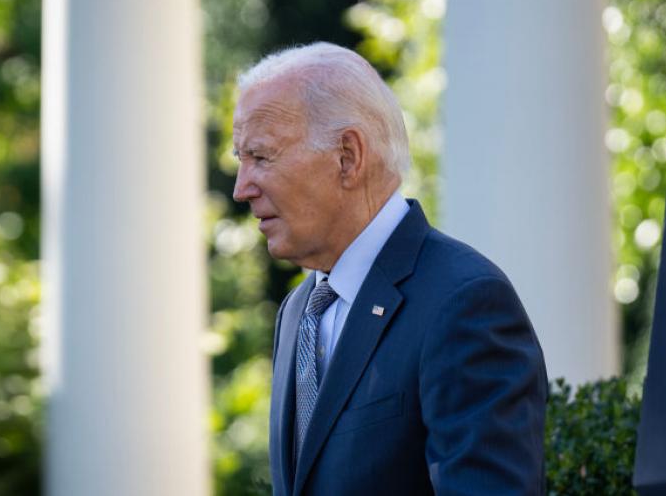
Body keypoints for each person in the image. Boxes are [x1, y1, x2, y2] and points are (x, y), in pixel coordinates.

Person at [232, 42, 547, 496]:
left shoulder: (465, 302)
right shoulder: (297, 310)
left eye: (261, 157)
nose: (242, 188)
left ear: (348, 156)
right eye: (240, 159)